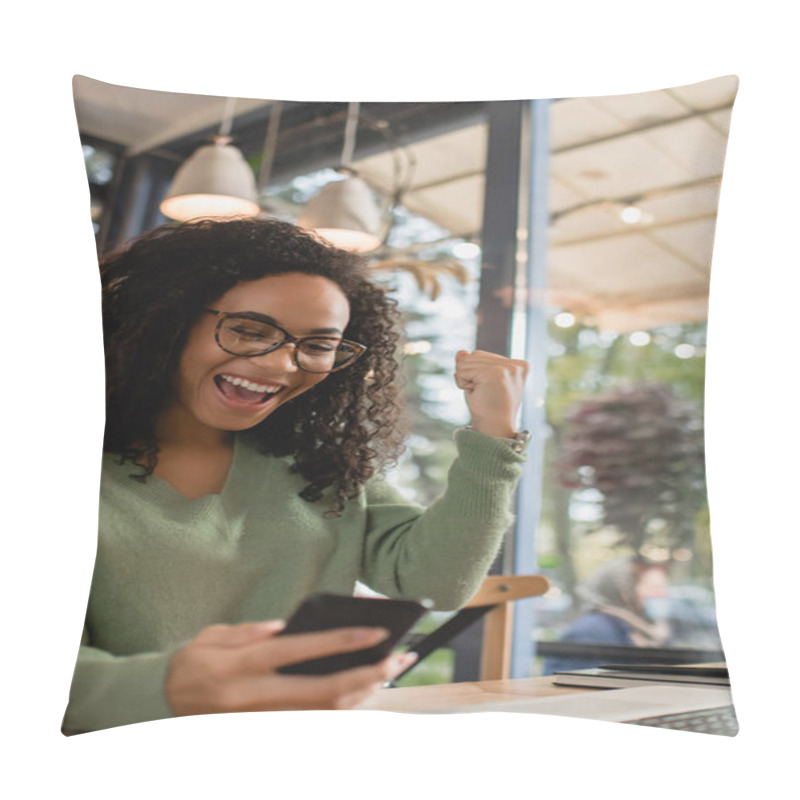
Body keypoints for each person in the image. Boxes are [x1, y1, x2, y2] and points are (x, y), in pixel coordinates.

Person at [63, 217, 530, 733]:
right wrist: (169, 686)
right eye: (248, 330)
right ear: (167, 322)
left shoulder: (319, 469)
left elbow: (438, 582)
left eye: (318, 345)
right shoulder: (51, 471)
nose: (284, 364)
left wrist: (494, 434)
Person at [541, 556, 671, 675]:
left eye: (663, 587)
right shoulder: (590, 631)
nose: (663, 594)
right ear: (624, 592)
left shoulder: (641, 628)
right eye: (654, 587)